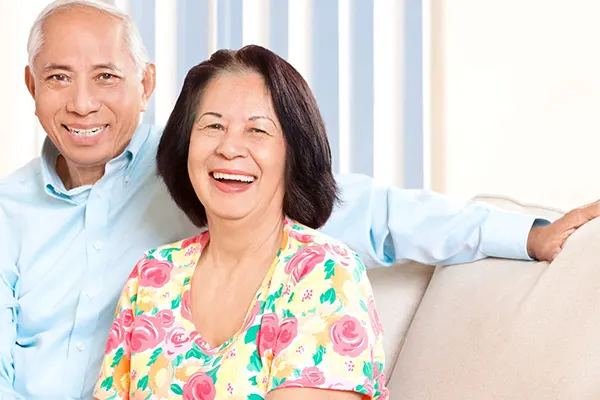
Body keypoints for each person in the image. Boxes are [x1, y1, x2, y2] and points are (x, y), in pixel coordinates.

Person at [0, 0, 597, 398]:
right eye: (58, 77)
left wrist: (526, 234)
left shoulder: (225, 180)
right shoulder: (137, 270)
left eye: (106, 76)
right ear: (31, 86)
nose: (82, 102)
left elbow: (378, 212)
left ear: (145, 83)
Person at [94, 44, 388, 400]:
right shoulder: (153, 275)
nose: (229, 148)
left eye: (257, 130)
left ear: (294, 151)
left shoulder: (326, 273)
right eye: (213, 125)